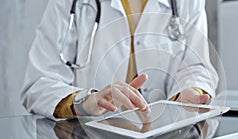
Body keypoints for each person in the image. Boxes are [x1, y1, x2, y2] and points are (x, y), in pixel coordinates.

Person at [21, 0, 218, 120]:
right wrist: (86, 101)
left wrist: (189, 92)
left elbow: (196, 66)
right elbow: (38, 85)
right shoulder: (70, 3)